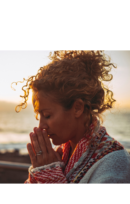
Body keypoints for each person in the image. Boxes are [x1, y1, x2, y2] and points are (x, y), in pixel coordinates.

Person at [13, 51, 130, 183]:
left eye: (47, 115)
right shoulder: (62, 154)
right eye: (39, 116)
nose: (41, 126)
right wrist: (42, 171)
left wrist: (50, 177)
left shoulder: (114, 161)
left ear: (77, 108)